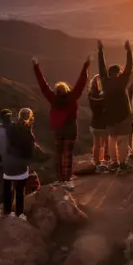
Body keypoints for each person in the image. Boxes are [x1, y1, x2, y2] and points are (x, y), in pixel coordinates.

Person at [32, 55, 91, 189]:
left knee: (58, 155)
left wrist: (36, 66)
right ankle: (67, 179)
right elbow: (81, 83)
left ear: (56, 91)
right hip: (71, 129)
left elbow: (43, 84)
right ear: (66, 89)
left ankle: (60, 179)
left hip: (58, 129)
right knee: (68, 155)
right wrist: (85, 66)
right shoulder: (72, 97)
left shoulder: (52, 98)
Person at [98, 39, 133, 173]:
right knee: (123, 139)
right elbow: (129, 67)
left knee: (112, 139)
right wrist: (129, 51)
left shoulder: (104, 82)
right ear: (119, 72)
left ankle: (113, 163)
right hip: (124, 115)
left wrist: (100, 51)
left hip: (110, 116)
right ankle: (123, 164)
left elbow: (101, 68)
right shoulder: (122, 81)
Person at [2, 108, 37, 218]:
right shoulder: (28, 135)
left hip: (8, 162)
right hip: (20, 163)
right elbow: (29, 153)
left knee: (8, 187)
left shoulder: (10, 128)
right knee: (19, 189)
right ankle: (19, 213)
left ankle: (7, 212)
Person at [88, 74, 109, 173]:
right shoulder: (105, 96)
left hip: (94, 123)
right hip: (104, 124)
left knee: (96, 144)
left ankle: (96, 163)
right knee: (104, 143)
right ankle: (104, 161)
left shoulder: (90, 94)